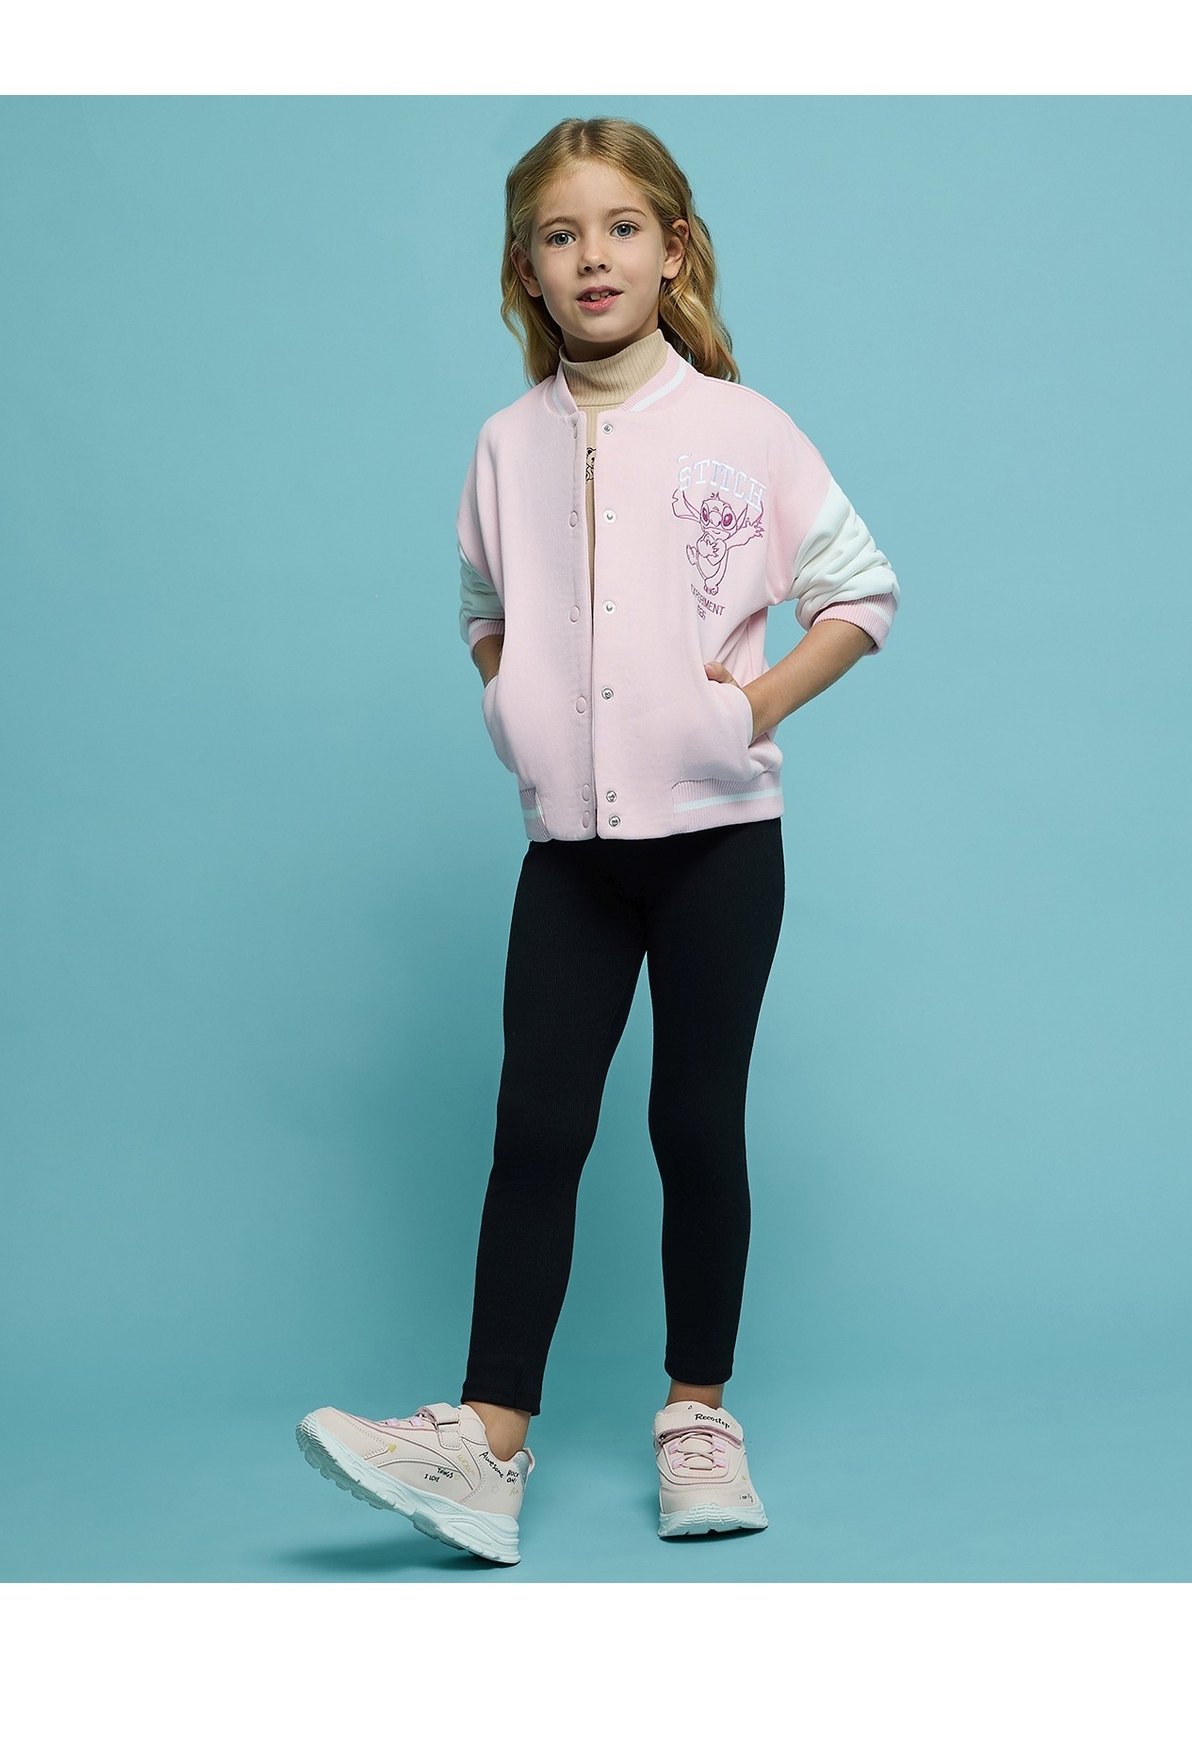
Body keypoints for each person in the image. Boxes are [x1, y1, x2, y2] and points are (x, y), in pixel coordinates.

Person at [297, 116, 901, 1567]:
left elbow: (862, 591)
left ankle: (698, 1417)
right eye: (561, 235)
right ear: (528, 269)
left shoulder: (743, 429)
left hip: (717, 841)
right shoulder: (505, 445)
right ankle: (487, 1446)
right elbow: (481, 604)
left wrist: (749, 706)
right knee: (536, 1128)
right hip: (568, 850)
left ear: (673, 250)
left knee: (693, 1121)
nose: (593, 256)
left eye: (622, 227)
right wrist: (510, 696)